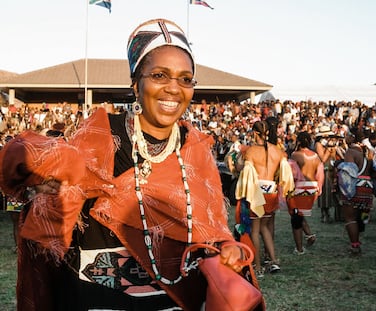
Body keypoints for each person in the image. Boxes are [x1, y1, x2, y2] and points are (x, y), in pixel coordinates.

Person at [0, 18, 262, 311]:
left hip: (173, 301)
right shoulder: (100, 136)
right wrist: (51, 178)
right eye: (160, 75)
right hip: (96, 299)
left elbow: (210, 229)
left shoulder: (194, 149)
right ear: (136, 84)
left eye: (185, 78)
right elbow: (27, 159)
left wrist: (224, 247)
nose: (174, 88)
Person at [236, 120, 294, 277]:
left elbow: (242, 170)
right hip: (272, 191)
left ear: (255, 133)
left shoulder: (251, 151)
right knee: (265, 227)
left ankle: (258, 266)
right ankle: (273, 261)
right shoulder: (278, 150)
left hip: (257, 192)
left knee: (255, 229)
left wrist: (236, 160)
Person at [336, 129, 374, 255]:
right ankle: (359, 236)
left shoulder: (351, 152)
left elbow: (349, 173)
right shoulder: (369, 152)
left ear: (352, 138)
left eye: (347, 136)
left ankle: (355, 245)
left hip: (355, 186)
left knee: (350, 217)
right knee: (363, 214)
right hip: (368, 186)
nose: (345, 138)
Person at [288, 131, 324, 254]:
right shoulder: (315, 156)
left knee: (295, 217)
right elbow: (320, 174)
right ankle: (309, 235)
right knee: (300, 214)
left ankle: (299, 248)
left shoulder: (295, 155)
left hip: (299, 187)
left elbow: (291, 175)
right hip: (312, 187)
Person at [315, 125, 338, 223]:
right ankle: (324, 214)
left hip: (331, 169)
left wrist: (333, 149)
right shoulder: (318, 144)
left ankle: (328, 213)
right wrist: (328, 150)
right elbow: (323, 159)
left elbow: (333, 158)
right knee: (324, 192)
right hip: (323, 170)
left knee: (330, 192)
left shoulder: (329, 144)